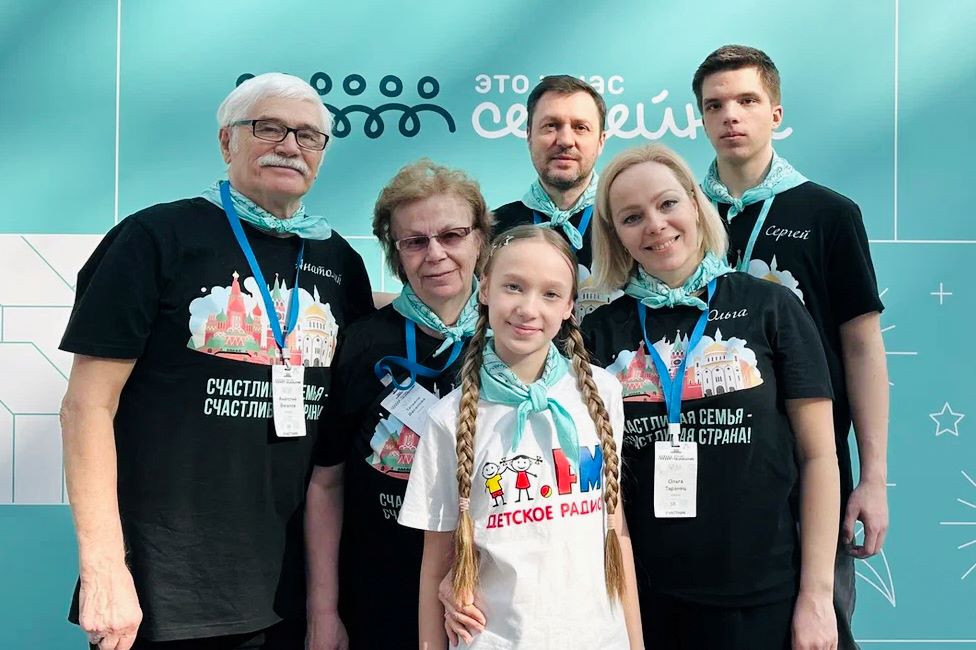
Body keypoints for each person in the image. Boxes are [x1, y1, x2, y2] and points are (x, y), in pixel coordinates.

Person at [58, 72, 374, 650]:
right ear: (227, 141)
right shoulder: (154, 238)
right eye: (269, 128)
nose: (290, 146)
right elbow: (86, 406)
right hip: (166, 589)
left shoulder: (339, 260)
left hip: (288, 591)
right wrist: (103, 568)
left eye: (308, 136)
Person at [583, 144, 840, 649]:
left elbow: (819, 457)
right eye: (632, 217)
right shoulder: (598, 334)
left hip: (763, 600)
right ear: (615, 236)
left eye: (667, 203)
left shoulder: (771, 306)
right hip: (646, 605)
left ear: (696, 204)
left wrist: (817, 595)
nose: (655, 225)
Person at [693, 44, 889, 649]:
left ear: (775, 112)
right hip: (707, 464)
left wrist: (874, 477)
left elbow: (862, 348)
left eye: (747, 100)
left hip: (811, 465)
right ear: (701, 118)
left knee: (815, 626)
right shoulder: (678, 219)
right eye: (715, 105)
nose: (731, 115)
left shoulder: (829, 213)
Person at [399, 225, 642, 649]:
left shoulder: (603, 392)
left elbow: (616, 533)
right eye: (514, 286)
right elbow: (435, 566)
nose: (529, 309)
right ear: (484, 288)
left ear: (569, 307)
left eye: (550, 294)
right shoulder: (447, 419)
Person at [305, 159, 492, 649]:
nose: (436, 254)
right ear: (395, 252)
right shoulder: (360, 344)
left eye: (452, 235)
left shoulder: (516, 338)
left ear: (479, 239)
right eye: (415, 241)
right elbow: (326, 483)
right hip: (380, 598)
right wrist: (322, 611)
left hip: (489, 601)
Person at [493, 75, 620, 318]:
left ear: (601, 141)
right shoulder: (494, 229)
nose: (565, 141)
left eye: (580, 127)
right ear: (529, 136)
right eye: (551, 126)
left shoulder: (627, 223)